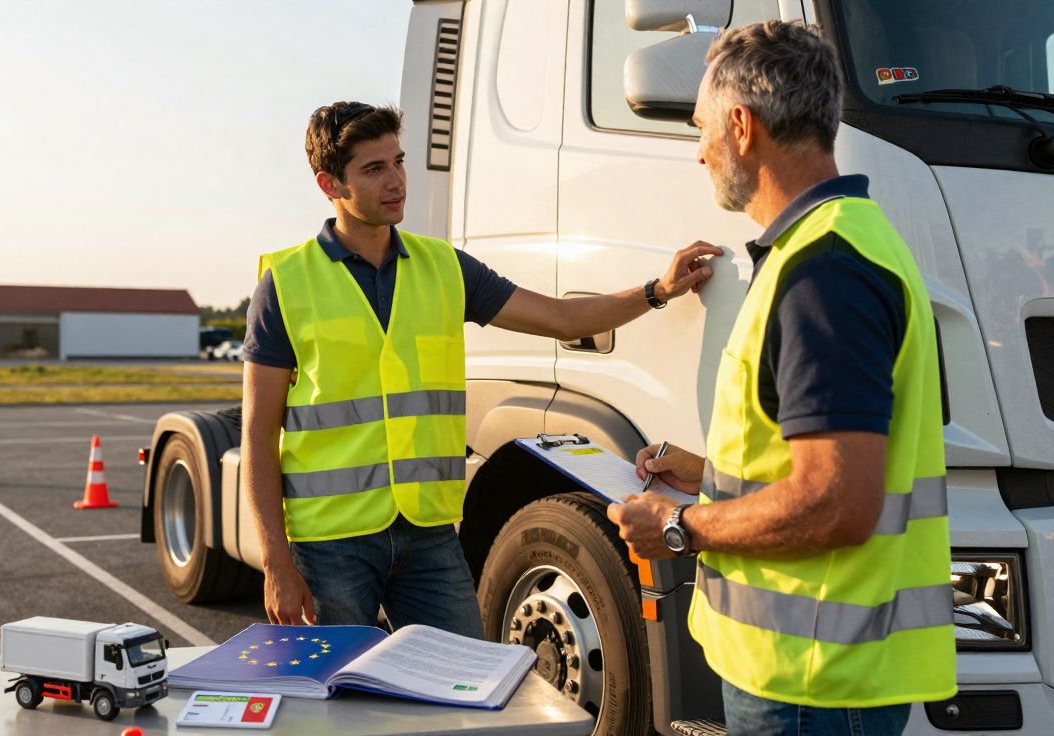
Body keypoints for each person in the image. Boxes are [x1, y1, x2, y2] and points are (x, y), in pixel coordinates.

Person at [241, 101, 722, 638]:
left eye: (398, 161)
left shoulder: (444, 267)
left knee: (464, 690)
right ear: (330, 184)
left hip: (429, 535)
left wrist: (658, 290)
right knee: (334, 702)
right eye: (374, 170)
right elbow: (259, 433)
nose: (397, 180)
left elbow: (561, 318)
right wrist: (276, 564)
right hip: (331, 546)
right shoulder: (286, 282)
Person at [606, 21, 956, 736]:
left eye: (701, 127)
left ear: (741, 126)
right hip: (818, 676)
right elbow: (836, 467)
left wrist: (680, 528)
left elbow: (838, 503)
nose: (698, 150)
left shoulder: (822, 272)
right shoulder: (844, 243)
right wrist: (704, 475)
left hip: (810, 685)